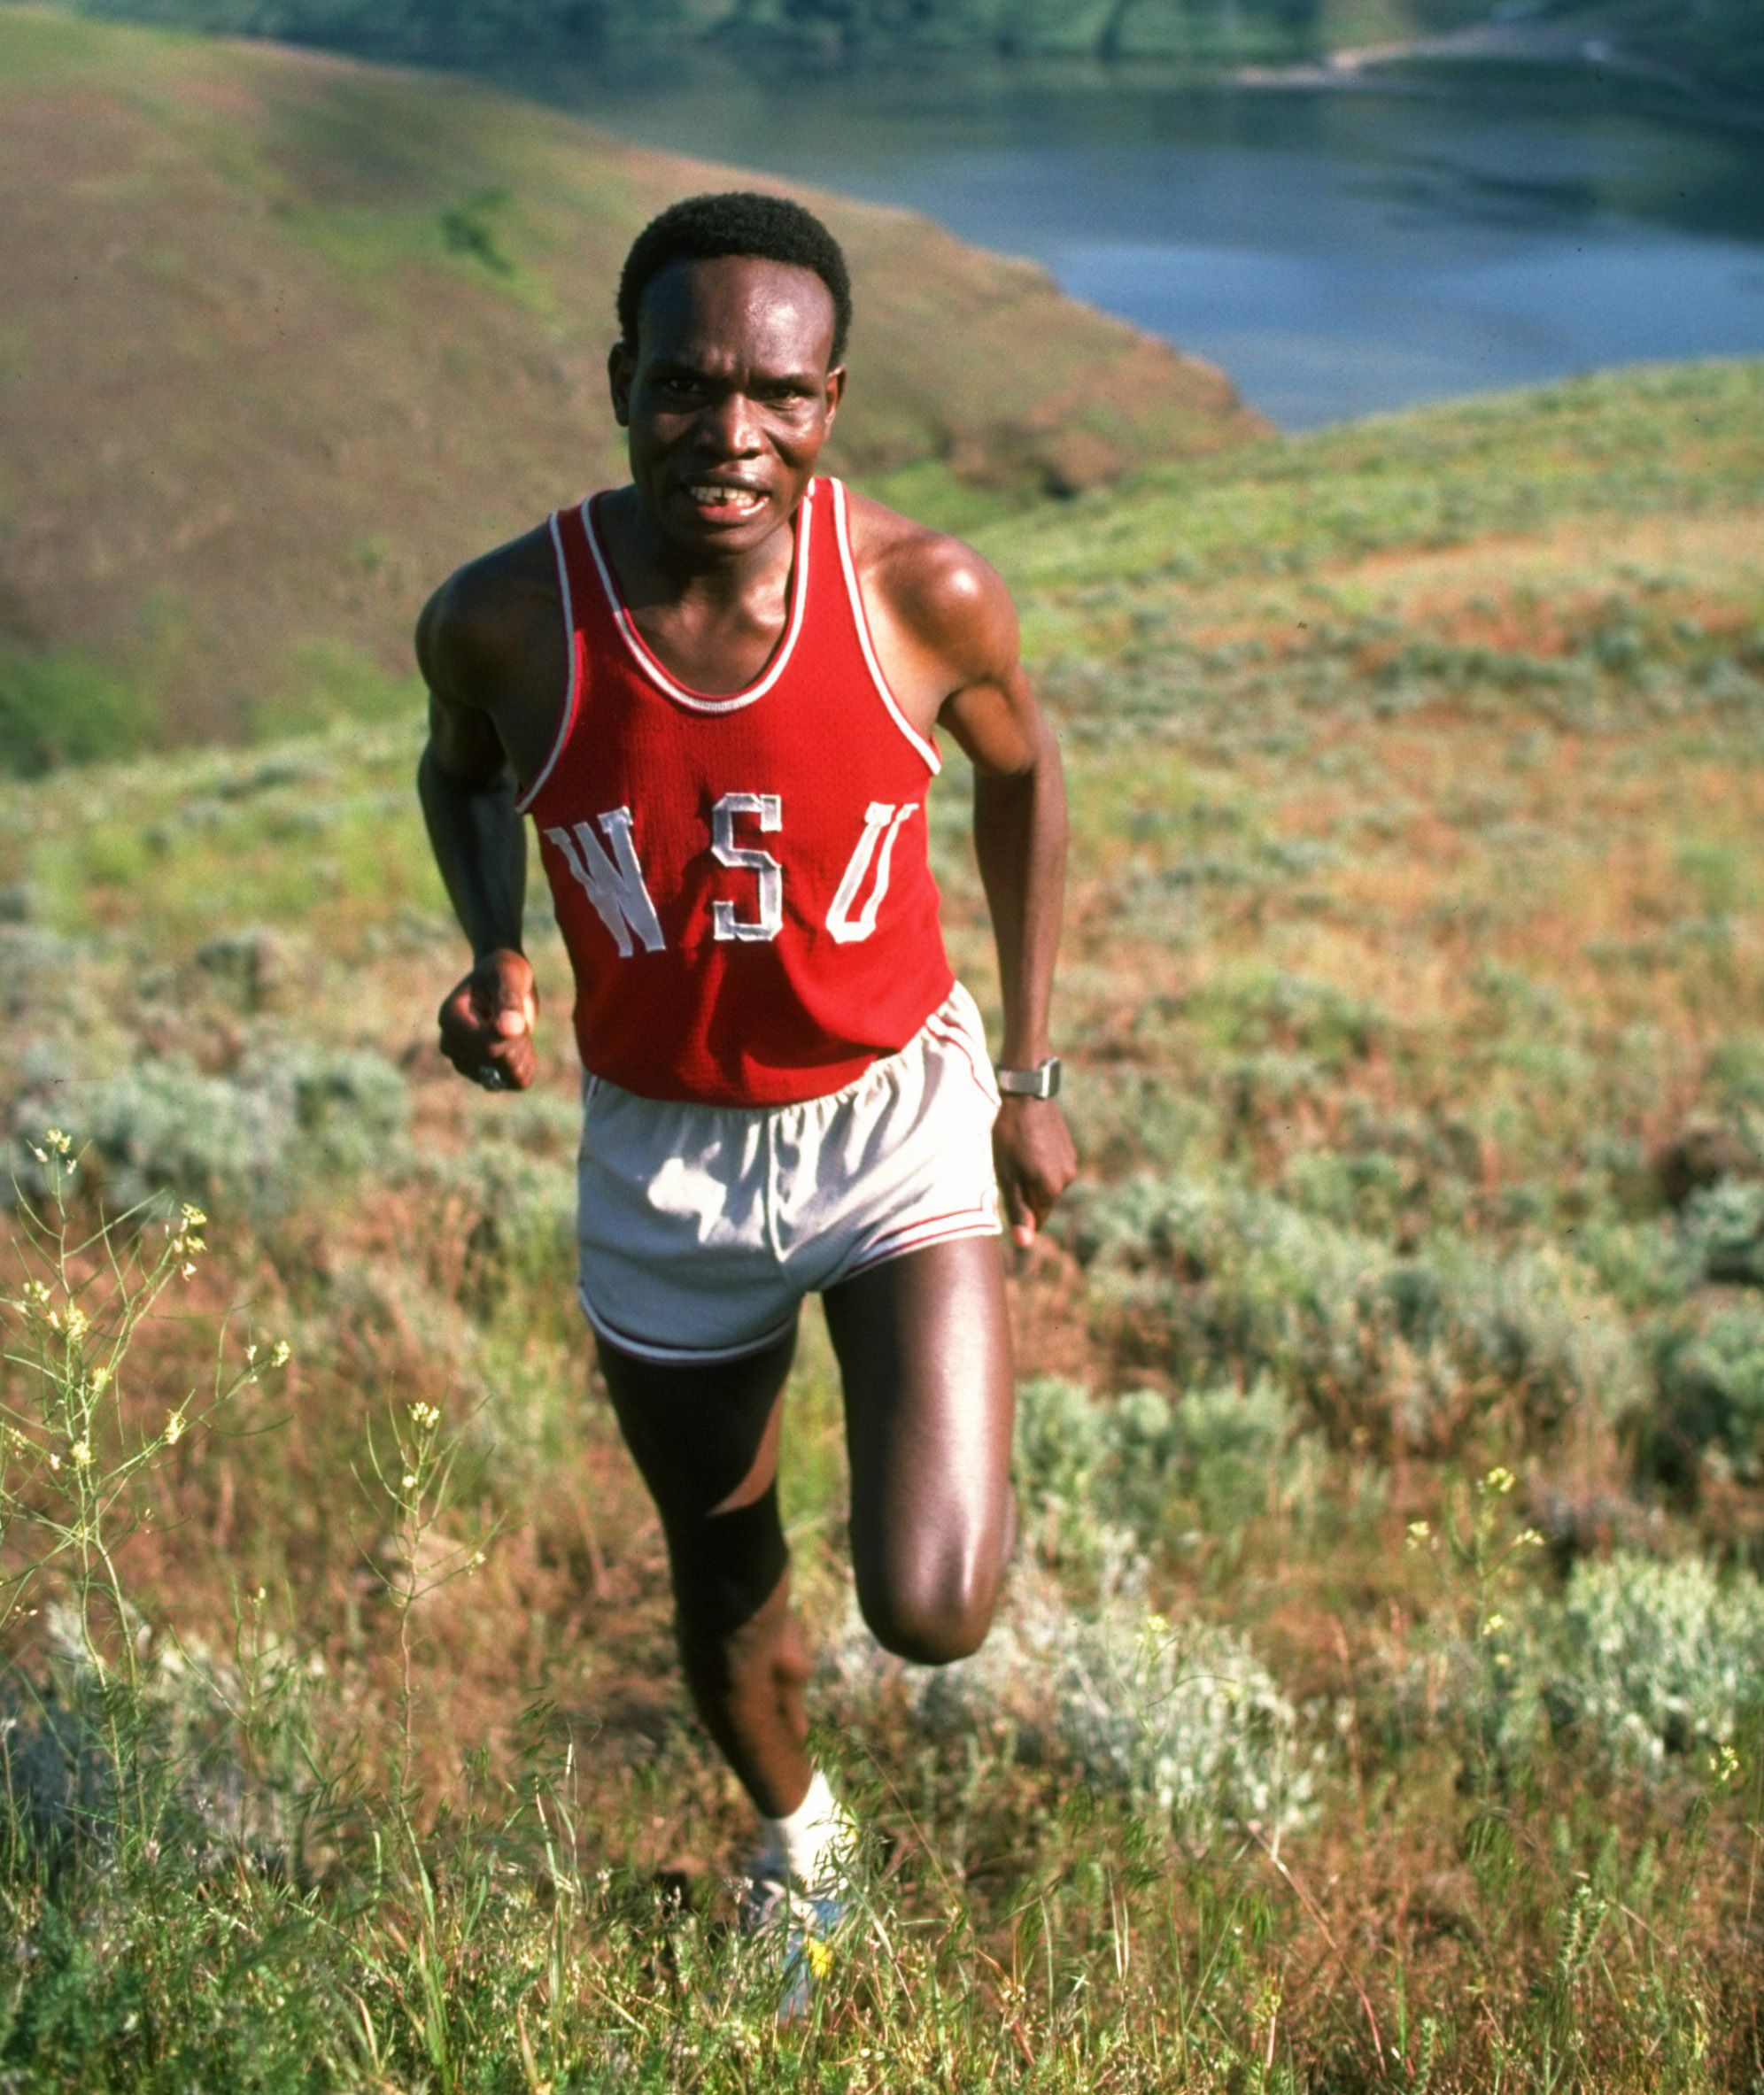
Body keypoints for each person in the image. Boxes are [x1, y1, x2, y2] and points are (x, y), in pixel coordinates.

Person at [415, 190, 1076, 1970]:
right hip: (665, 1163)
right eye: (687, 385)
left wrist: (1026, 1069)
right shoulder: (505, 619)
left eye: (775, 392)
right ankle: (800, 1839)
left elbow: (1021, 774)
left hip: (894, 1125)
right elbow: (462, 775)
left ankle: (924, 1439)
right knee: (726, 1584)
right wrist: (496, 949)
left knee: (932, 1604)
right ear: (620, 380)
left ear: (833, 395)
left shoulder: (921, 596)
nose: (730, 431)